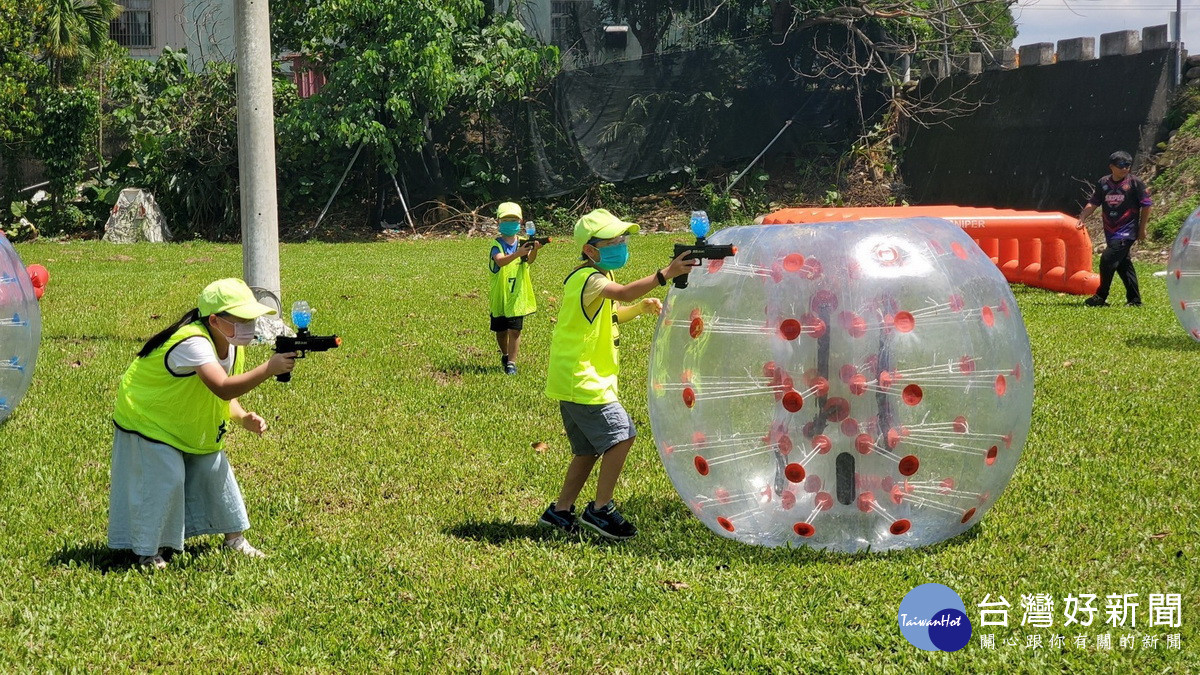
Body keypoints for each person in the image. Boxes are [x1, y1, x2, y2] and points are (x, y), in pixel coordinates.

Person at [108, 278, 296, 569]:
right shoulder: (193, 342)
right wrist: (269, 369)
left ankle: (235, 539)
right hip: (148, 420)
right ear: (214, 320)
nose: (249, 324)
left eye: (251, 318)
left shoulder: (232, 344)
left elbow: (221, 396)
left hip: (186, 421)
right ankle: (146, 551)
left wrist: (242, 416)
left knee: (215, 473)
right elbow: (222, 386)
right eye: (241, 318)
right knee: (164, 481)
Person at [538, 209, 697, 540]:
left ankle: (560, 511)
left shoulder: (600, 277)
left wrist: (639, 309)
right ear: (590, 250)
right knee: (622, 434)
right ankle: (600, 508)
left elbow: (609, 316)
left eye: (623, 240)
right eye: (613, 241)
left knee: (586, 450)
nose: (621, 246)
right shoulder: (590, 278)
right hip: (583, 380)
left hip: (573, 379)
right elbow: (623, 293)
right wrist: (665, 273)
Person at [1076, 150, 1152, 307]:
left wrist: (1142, 228)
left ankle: (1100, 296)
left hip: (1127, 231)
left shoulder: (1134, 183)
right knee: (1124, 266)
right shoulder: (1103, 183)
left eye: (1128, 165)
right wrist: (1082, 217)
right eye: (1121, 165)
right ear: (1111, 166)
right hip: (1111, 231)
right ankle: (1135, 300)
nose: (1125, 169)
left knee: (1107, 259)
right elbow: (1094, 202)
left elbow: (1146, 206)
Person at [489, 202, 541, 375]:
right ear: (498, 222)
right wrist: (517, 253)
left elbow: (530, 260)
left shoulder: (523, 243)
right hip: (500, 295)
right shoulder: (496, 244)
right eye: (506, 220)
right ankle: (505, 354)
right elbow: (500, 261)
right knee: (501, 330)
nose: (510, 223)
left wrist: (534, 250)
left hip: (517, 294)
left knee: (515, 330)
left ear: (521, 222)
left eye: (514, 219)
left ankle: (512, 362)